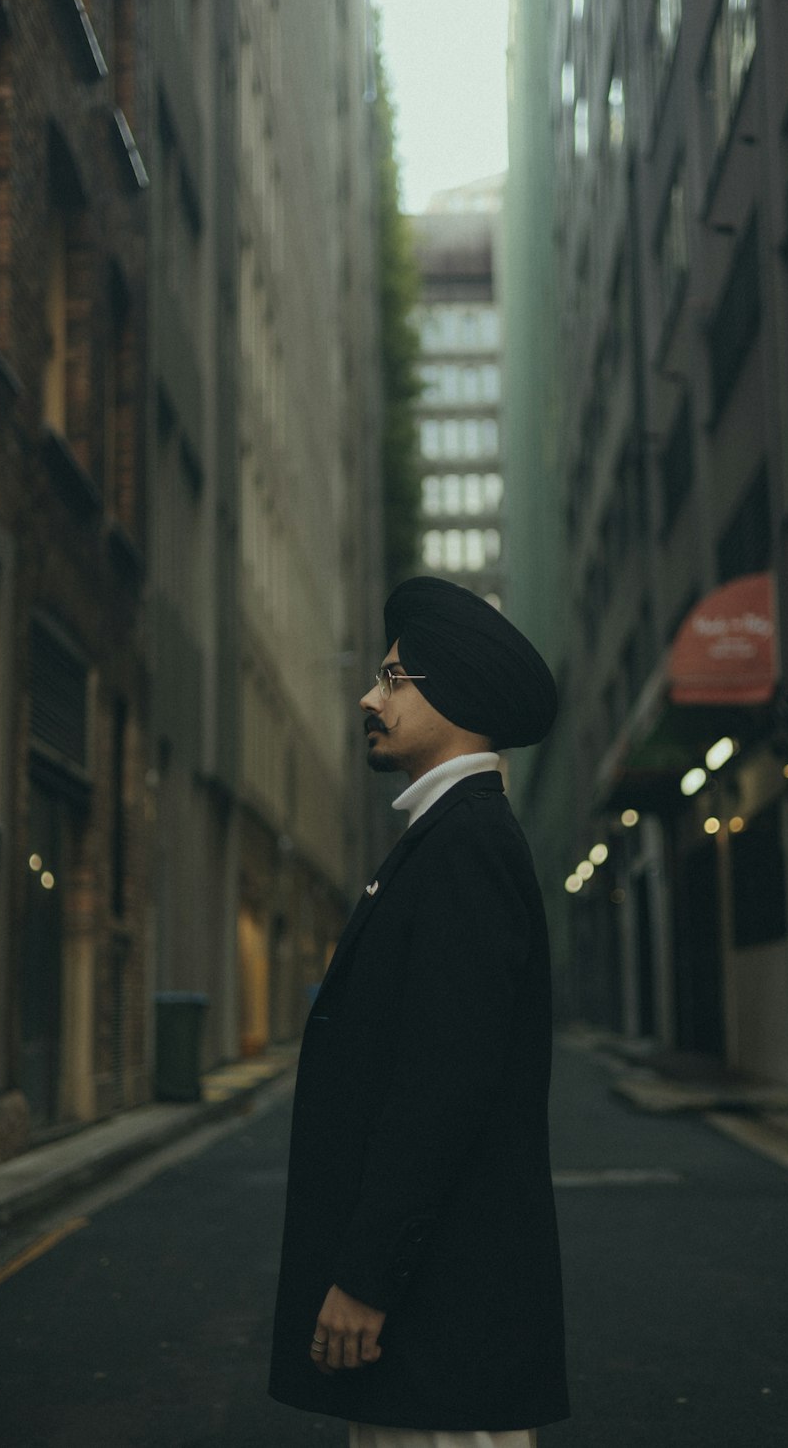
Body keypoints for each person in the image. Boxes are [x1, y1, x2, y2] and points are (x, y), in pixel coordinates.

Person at [269, 576, 570, 1448]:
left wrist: (366, 1280)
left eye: (395, 678)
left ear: (459, 694)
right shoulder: (446, 838)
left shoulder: (464, 846)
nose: (369, 696)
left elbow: (442, 1087)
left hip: (441, 1317)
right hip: (437, 1312)